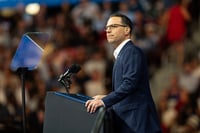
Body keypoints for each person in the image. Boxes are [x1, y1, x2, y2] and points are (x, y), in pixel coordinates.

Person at [85, 13, 161, 133]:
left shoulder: (132, 52)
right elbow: (130, 91)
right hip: (129, 122)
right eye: (106, 28)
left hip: (136, 123)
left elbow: (130, 84)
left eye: (113, 26)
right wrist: (106, 97)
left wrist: (104, 101)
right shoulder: (122, 54)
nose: (108, 30)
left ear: (127, 30)